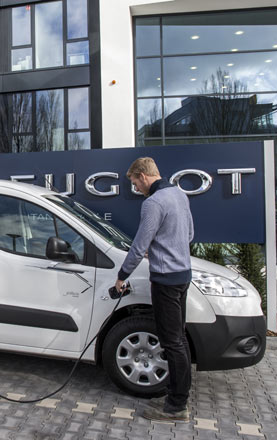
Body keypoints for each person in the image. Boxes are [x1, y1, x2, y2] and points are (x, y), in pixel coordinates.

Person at [114, 157, 194, 423]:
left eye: (136, 182)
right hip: (183, 276)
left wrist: (122, 276)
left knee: (172, 342)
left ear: (143, 176)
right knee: (178, 339)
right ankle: (177, 395)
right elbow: (189, 234)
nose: (136, 188)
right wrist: (163, 246)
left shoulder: (153, 203)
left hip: (165, 281)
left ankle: (176, 407)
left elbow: (138, 246)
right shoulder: (179, 195)